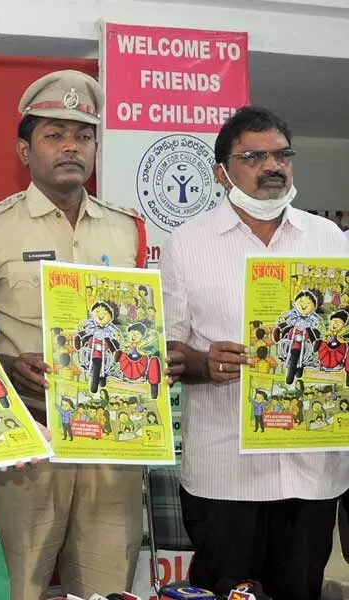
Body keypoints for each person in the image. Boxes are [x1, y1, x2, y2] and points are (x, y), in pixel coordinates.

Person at [0, 70, 180, 598]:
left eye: (82, 136)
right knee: (21, 587)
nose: (71, 146)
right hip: (28, 444)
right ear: (24, 149)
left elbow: (139, 324)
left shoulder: (126, 228)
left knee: (106, 587)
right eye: (54, 135)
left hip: (113, 443)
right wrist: (6, 366)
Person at [163, 106, 349, 600]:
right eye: (254, 156)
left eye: (282, 154)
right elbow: (166, 351)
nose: (273, 165)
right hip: (227, 472)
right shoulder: (188, 242)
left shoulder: (328, 238)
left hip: (311, 470)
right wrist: (205, 363)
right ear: (221, 171)